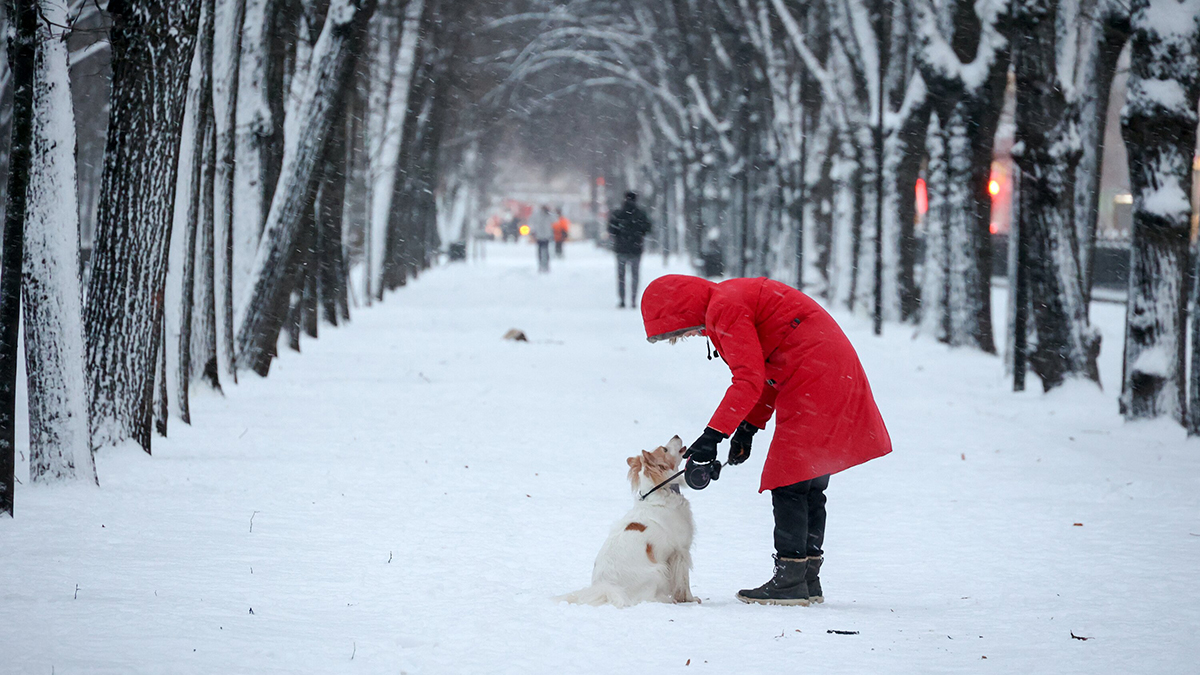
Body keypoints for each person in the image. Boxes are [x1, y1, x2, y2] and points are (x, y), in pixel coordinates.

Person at [640, 274, 892, 606]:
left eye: (681, 331)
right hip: (824, 366)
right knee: (810, 479)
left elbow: (749, 379)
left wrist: (712, 437)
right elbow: (767, 367)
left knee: (790, 479)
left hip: (813, 372)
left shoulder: (723, 308)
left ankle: (790, 581)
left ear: (682, 308)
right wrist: (748, 428)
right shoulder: (727, 299)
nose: (688, 335)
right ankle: (806, 578)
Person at [607, 191, 652, 308]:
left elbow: (611, 229)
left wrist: (620, 234)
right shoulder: (641, 214)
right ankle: (633, 299)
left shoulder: (618, 213)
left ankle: (622, 299)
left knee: (621, 276)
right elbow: (647, 229)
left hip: (621, 248)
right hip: (636, 249)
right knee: (635, 275)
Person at [530, 205, 554, 273]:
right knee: (540, 251)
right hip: (540, 236)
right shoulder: (537, 215)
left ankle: (546, 265)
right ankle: (541, 265)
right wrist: (533, 231)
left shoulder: (549, 215)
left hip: (546, 236)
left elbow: (555, 221)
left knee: (546, 251)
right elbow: (533, 223)